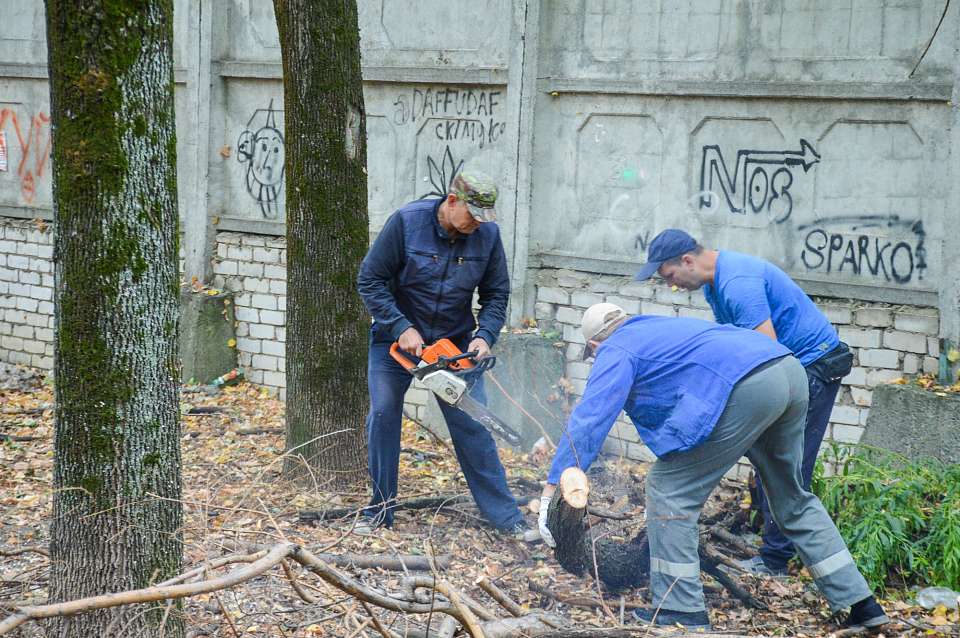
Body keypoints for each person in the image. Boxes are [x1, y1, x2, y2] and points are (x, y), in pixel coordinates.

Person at [537, 303, 888, 631]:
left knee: (668, 487)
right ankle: (860, 602)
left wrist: (553, 487)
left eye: (593, 352)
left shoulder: (618, 348)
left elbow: (590, 419)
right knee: (791, 497)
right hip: (788, 371)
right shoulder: (657, 329)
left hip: (748, 386)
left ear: (596, 344)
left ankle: (681, 607)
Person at [635, 229, 853, 577]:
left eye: (671, 277)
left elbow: (765, 353)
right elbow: (737, 348)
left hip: (812, 367)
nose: (673, 286)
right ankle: (772, 539)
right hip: (793, 365)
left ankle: (776, 560)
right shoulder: (714, 283)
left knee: (787, 466)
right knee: (767, 455)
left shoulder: (737, 284)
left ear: (687, 261)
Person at [356, 169, 534, 540]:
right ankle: (380, 510)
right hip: (396, 340)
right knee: (384, 413)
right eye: (472, 216)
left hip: (452, 345)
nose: (476, 225)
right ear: (452, 201)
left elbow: (496, 294)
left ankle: (505, 517)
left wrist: (484, 337)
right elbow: (369, 279)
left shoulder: (487, 236)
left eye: (483, 219)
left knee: (473, 424)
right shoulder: (407, 223)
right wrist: (401, 326)